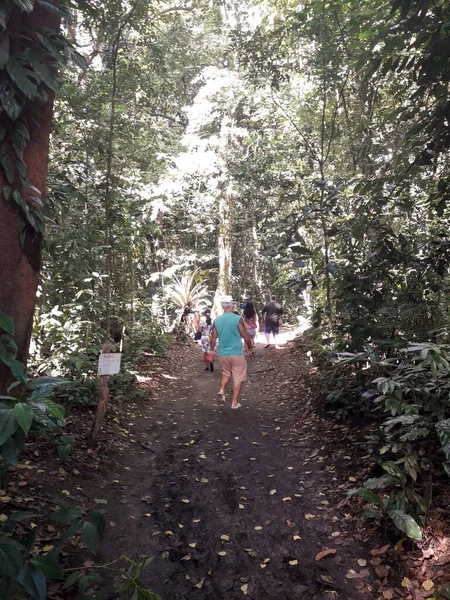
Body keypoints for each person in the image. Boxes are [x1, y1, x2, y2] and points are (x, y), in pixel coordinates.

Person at [207, 295, 252, 410]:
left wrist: (211, 351)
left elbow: (213, 338)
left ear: (223, 306)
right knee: (237, 377)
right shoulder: (237, 319)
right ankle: (234, 402)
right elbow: (245, 335)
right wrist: (249, 346)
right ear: (232, 306)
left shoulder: (217, 320)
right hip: (236, 353)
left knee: (226, 373)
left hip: (223, 353)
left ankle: (222, 390)